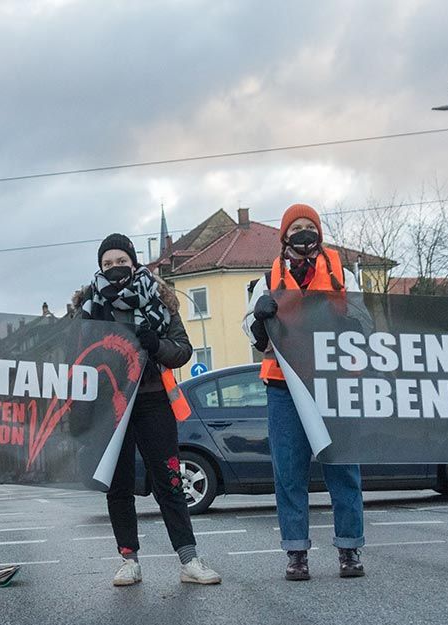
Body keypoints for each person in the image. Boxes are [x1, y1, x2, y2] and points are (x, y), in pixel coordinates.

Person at [71, 233, 222, 587]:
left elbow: (183, 350)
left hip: (153, 400)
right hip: (110, 408)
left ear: (133, 262)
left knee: (170, 481)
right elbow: (75, 355)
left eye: (120, 262)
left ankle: (189, 560)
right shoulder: (89, 307)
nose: (114, 268)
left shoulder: (159, 301)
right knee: (118, 484)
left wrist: (157, 346)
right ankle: (128, 561)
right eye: (106, 264)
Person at [243, 204, 369, 580]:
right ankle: (296, 553)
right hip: (285, 387)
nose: (303, 233)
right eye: (295, 227)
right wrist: (261, 317)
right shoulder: (266, 280)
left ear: (319, 234)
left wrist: (345, 320)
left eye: (308, 227)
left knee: (343, 468)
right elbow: (255, 340)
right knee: (289, 473)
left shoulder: (342, 274)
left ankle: (350, 549)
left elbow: (365, 324)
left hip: (333, 384)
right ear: (284, 236)